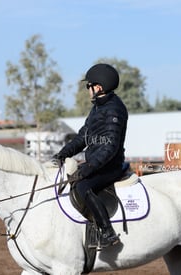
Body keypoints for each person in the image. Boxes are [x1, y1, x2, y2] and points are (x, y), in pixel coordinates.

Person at [54, 63, 128, 249]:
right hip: (98, 163)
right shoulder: (97, 108)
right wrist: (63, 153)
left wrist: (88, 168)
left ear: (99, 87)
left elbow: (109, 147)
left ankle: (107, 232)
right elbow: (83, 137)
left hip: (111, 166)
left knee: (83, 186)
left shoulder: (113, 109)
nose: (87, 89)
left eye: (89, 85)